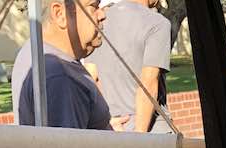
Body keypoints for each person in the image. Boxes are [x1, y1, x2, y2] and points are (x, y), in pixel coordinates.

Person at [12, 0, 127, 130]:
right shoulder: (60, 76)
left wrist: (103, 128)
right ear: (60, 14)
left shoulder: (35, 50)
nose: (102, 15)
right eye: (94, 6)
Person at [85, 0, 172, 133]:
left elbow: (91, 78)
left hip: (113, 129)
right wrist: (137, 137)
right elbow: (148, 84)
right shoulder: (158, 23)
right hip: (151, 132)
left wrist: (106, 122)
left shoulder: (100, 17)